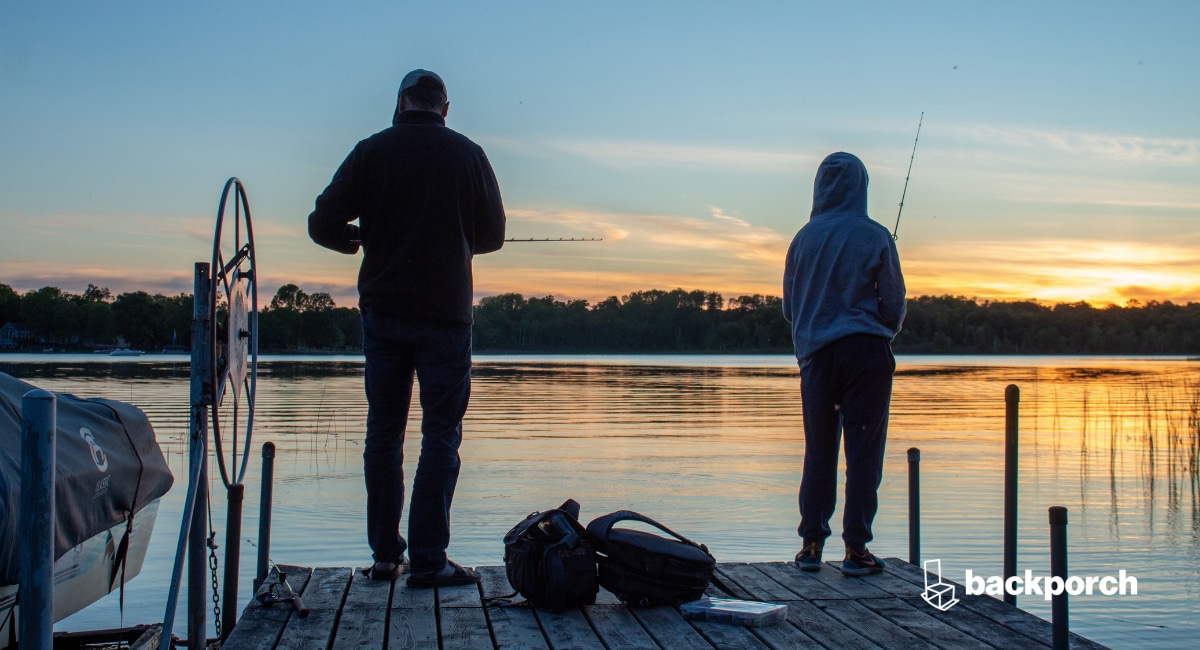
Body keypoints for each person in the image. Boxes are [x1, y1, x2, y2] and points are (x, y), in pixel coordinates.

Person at [308, 69, 506, 587]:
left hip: (385, 315)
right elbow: (493, 236)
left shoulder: (371, 150)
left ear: (400, 103)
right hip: (446, 316)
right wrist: (458, 237)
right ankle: (429, 559)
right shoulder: (469, 154)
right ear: (445, 108)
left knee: (384, 434)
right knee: (440, 435)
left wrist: (350, 239)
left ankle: (383, 556)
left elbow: (321, 221)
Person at [782, 152, 906, 576]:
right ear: (862, 186)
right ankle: (857, 551)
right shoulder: (876, 235)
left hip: (817, 357)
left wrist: (816, 324)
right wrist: (881, 329)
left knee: (820, 451)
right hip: (867, 354)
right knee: (864, 454)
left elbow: (789, 307)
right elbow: (894, 301)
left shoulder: (802, 239)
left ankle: (812, 545)